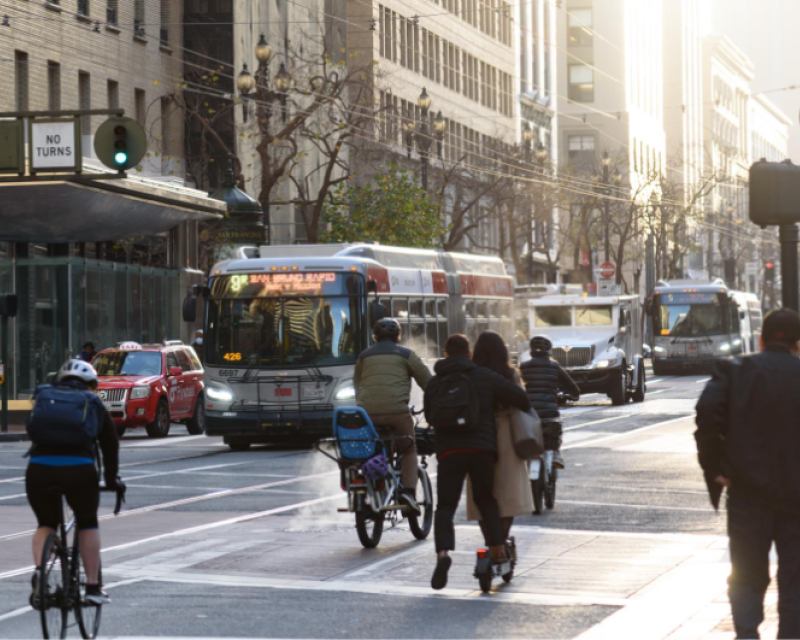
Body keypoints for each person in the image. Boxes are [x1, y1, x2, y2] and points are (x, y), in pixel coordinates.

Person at [696, 308, 800, 640]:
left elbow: (707, 416)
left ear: (760, 339)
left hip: (747, 491)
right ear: (798, 344)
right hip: (797, 496)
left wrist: (716, 469)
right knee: (796, 579)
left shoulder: (733, 370)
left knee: (746, 575)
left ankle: (746, 633)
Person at [425, 334, 531, 590]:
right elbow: (521, 399)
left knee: (445, 507)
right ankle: (496, 551)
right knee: (487, 500)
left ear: (446, 353)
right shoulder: (483, 376)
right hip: (482, 450)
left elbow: (430, 415)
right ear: (469, 354)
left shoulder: (435, 381)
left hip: (449, 452)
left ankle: (443, 554)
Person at [26, 359, 121, 606]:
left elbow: (32, 429)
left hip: (39, 469)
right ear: (90, 385)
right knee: (88, 522)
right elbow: (110, 445)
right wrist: (112, 479)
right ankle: (92, 586)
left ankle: (40, 572)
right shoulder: (93, 402)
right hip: (79, 470)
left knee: (46, 523)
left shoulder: (44, 397)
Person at [353, 318, 432, 515]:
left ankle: (372, 489)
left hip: (367, 414)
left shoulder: (364, 356)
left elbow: (357, 384)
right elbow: (429, 383)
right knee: (408, 449)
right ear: (398, 336)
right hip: (397, 413)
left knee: (373, 448)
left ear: (375, 337)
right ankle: (408, 493)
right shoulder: (406, 354)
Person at [465, 331, 534, 543]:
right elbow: (523, 402)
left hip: (477, 437)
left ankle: (490, 542)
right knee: (508, 494)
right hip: (507, 437)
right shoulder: (509, 374)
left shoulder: (472, 374)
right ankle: (500, 544)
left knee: (483, 496)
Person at [520, 335, 580, 469]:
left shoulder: (523, 367)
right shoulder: (554, 366)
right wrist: (574, 395)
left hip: (529, 415)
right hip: (549, 414)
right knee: (554, 432)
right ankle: (556, 453)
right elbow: (571, 386)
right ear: (549, 350)